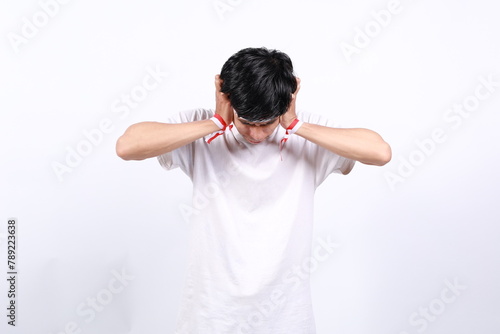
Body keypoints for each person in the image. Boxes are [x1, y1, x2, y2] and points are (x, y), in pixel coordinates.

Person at [116, 47, 391, 334]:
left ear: (291, 96)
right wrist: (215, 123)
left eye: (267, 123)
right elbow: (127, 146)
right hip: (209, 319)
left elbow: (380, 152)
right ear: (224, 93)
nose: (257, 135)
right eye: (246, 123)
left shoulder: (305, 135)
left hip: (287, 321)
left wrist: (295, 125)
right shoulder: (201, 129)